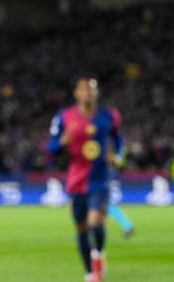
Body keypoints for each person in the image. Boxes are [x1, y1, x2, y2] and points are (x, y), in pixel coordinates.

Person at [48, 76, 122, 282]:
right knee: (81, 227)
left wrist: (117, 155)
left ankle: (98, 255)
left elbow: (118, 138)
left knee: (95, 222)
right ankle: (90, 273)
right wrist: (62, 142)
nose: (88, 93)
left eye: (91, 89)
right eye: (84, 89)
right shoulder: (64, 117)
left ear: (97, 93)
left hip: (100, 179)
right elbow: (50, 148)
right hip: (76, 180)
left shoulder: (110, 116)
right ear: (76, 93)